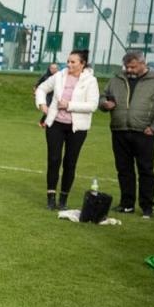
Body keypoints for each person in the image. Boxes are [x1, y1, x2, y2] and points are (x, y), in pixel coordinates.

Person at [98, 50, 154, 216]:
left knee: (146, 170)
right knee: (124, 169)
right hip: (119, 130)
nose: (129, 70)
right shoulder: (116, 79)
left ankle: (147, 207)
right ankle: (127, 204)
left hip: (144, 132)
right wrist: (104, 104)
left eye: (132, 67)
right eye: (127, 67)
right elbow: (103, 97)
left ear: (142, 63)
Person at [34, 50, 100, 210]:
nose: (69, 65)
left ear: (82, 64)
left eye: (73, 62)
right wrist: (42, 103)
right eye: (68, 61)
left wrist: (69, 105)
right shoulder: (60, 76)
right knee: (54, 159)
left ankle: (63, 199)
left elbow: (92, 105)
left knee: (70, 162)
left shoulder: (90, 81)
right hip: (55, 124)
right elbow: (41, 88)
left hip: (77, 128)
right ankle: (51, 198)